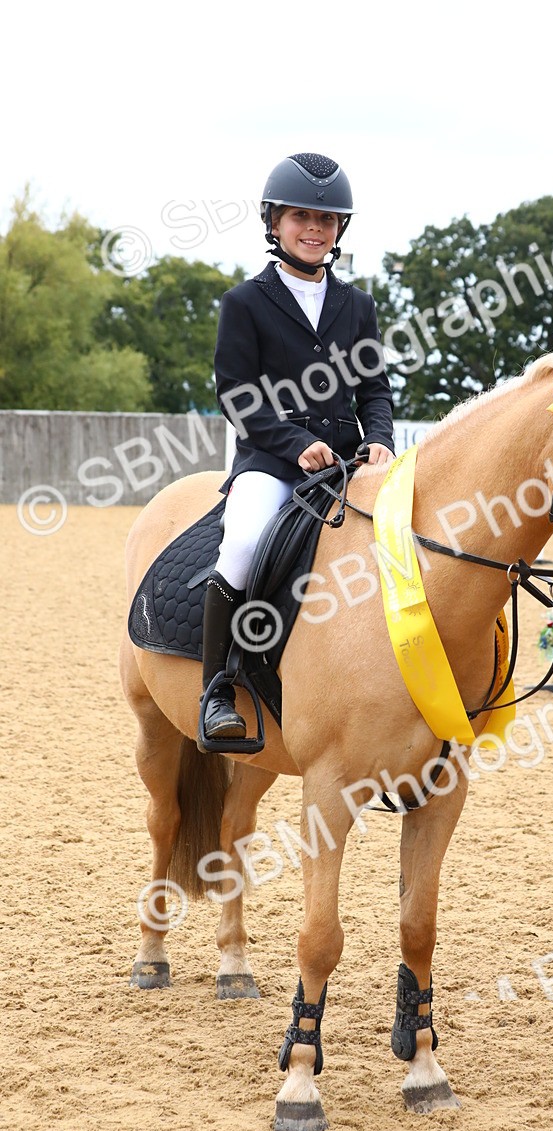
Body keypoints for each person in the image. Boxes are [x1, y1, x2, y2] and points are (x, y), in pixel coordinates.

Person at [201, 152, 396, 742]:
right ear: (275, 223)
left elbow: (375, 391)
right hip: (271, 464)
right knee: (242, 543)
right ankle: (219, 690)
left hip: (345, 466)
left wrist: (381, 441)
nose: (314, 229)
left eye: (327, 220)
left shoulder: (357, 305)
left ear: (340, 230)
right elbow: (237, 395)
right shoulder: (245, 302)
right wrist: (295, 443)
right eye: (301, 217)